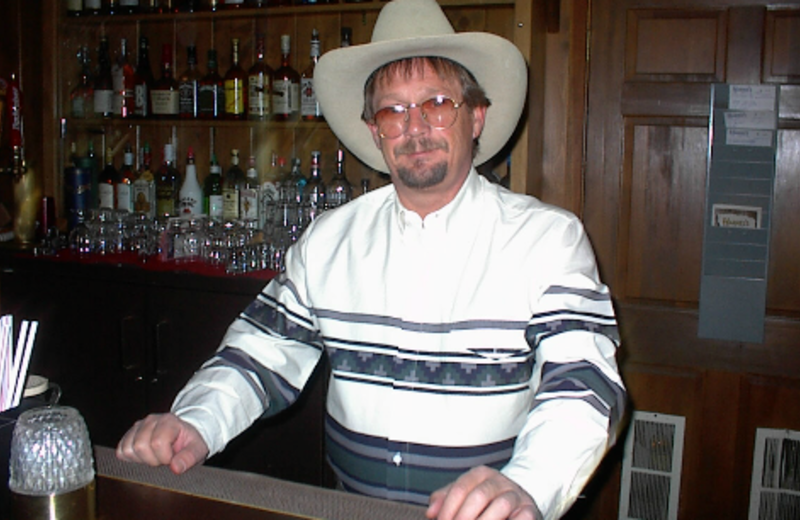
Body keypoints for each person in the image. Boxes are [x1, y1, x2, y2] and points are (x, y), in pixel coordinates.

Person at [116, 1, 627, 519]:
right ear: (374, 130)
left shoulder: (548, 240)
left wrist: (528, 486)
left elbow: (584, 384)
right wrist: (193, 423)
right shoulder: (329, 240)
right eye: (393, 111)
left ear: (476, 117)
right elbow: (261, 353)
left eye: (437, 103)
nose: (415, 127)